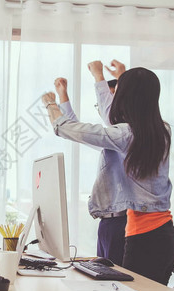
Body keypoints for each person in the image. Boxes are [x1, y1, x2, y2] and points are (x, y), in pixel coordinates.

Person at [42, 59, 174, 285]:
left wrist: (51, 104)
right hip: (157, 232)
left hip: (144, 235)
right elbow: (105, 121)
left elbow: (66, 128)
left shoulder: (127, 135)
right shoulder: (155, 131)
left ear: (126, 99)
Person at [53, 77, 126, 266]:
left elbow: (73, 129)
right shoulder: (114, 138)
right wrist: (63, 95)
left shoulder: (127, 136)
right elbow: (77, 130)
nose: (103, 108)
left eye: (107, 101)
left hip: (122, 224)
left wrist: (98, 75)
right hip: (108, 222)